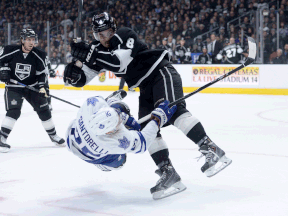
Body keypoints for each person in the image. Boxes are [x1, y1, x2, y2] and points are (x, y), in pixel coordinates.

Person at [63, 12, 232, 199]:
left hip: (160, 72)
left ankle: (211, 149)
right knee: (147, 127)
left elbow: (119, 64)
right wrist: (74, 74)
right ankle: (168, 172)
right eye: (99, 35)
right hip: (144, 86)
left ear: (114, 29)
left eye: (107, 33)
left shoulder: (125, 35)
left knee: (173, 113)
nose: (103, 39)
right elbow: (84, 77)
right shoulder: (96, 50)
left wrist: (89, 53)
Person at [66, 95, 185, 199]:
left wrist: (121, 115)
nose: (120, 121)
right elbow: (142, 142)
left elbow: (107, 104)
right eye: (118, 124)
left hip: (71, 140)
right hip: (94, 157)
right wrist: (158, 120)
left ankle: (116, 112)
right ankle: (103, 165)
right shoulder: (112, 142)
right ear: (109, 132)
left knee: (120, 107)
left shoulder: (91, 104)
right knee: (121, 161)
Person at [0, 28, 65, 153]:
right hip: (14, 86)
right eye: (28, 39)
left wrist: (42, 87)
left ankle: (53, 136)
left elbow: (42, 74)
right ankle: (2, 137)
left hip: (33, 86)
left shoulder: (39, 55)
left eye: (33, 40)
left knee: (44, 110)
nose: (31, 42)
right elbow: (1, 62)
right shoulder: (10, 50)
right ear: (22, 40)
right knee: (14, 111)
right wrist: (3, 71)